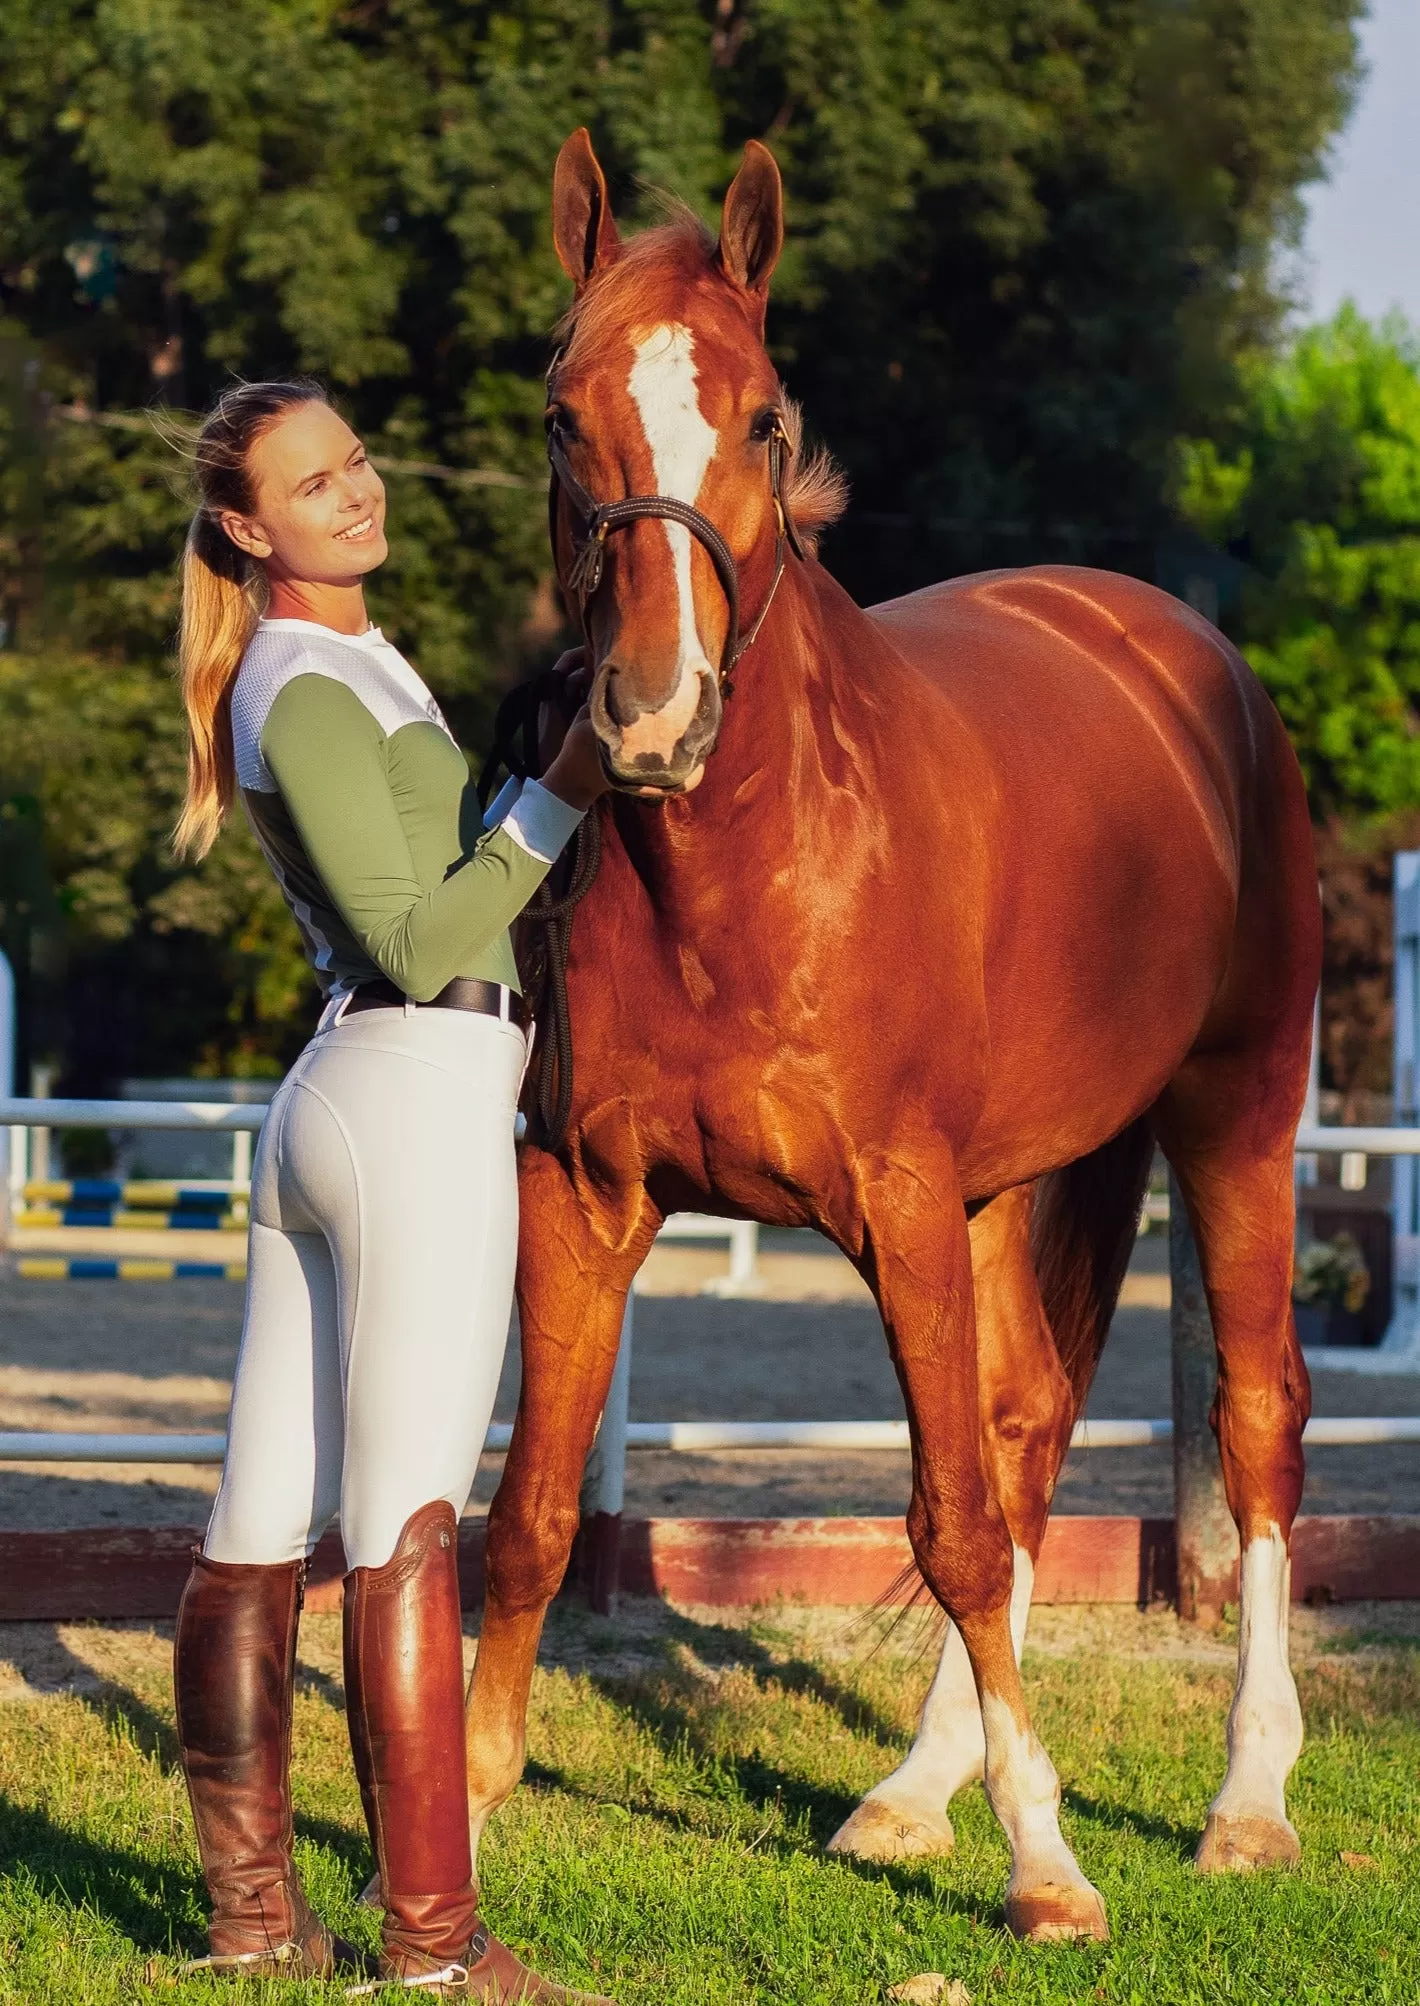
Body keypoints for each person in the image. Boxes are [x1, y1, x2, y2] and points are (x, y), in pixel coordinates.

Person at [169, 378, 611, 2001]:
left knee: (257, 1526)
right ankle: (436, 1948)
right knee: (409, 1527)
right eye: (309, 480)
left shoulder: (339, 660)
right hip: (412, 1094)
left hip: (356, 1097)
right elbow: (421, 936)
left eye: (356, 455)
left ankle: (254, 1922)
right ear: (245, 525)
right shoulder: (297, 685)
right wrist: (565, 782)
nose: (353, 489)